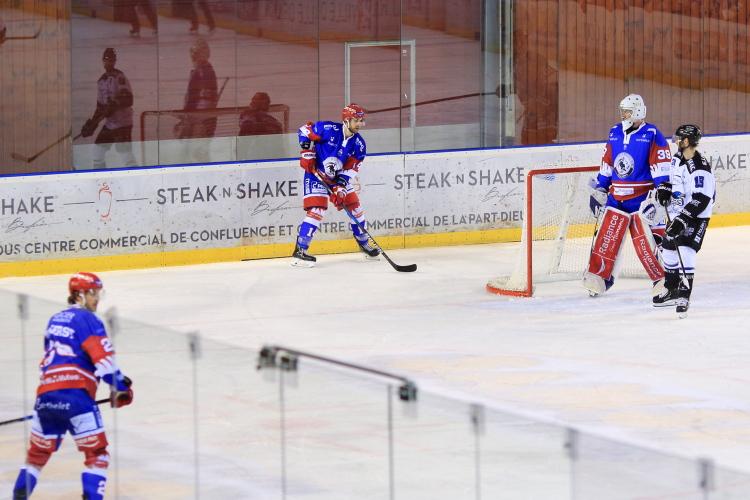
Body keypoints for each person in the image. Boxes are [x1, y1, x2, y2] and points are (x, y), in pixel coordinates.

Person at [11, 272, 134, 500]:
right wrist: (121, 387)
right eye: (93, 293)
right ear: (79, 295)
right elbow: (104, 360)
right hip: (76, 397)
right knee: (97, 455)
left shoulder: (54, 319)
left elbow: (51, 359)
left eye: (98, 293)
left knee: (36, 457)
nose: (96, 299)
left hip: (46, 396)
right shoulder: (88, 319)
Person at [583, 94, 672, 296]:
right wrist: (601, 187)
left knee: (646, 241)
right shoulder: (614, 132)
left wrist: (662, 188)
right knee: (607, 238)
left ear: (639, 111)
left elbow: (661, 165)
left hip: (642, 198)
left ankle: (663, 279)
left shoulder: (652, 134)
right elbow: (607, 162)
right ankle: (599, 279)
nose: (623, 115)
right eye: (622, 111)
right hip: (616, 197)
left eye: (628, 111)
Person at [291, 103, 381, 267]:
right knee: (316, 210)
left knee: (355, 208)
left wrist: (340, 186)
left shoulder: (359, 145)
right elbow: (304, 130)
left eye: (361, 120)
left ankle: (364, 244)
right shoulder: (328, 129)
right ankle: (300, 251)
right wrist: (306, 151)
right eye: (357, 120)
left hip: (336, 178)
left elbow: (351, 168)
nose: (360, 124)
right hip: (316, 175)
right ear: (347, 120)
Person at [653, 124, 715, 317]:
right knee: (668, 248)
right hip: (678, 213)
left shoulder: (700, 167)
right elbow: (674, 182)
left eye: (679, 138)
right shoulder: (677, 158)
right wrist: (665, 188)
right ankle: (671, 290)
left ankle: (684, 295)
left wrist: (683, 219)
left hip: (696, 216)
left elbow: (702, 198)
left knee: (685, 249)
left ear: (686, 141)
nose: (675, 141)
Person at [80, 48, 138, 169]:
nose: (109, 62)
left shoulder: (120, 77)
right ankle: (101, 177)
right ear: (103, 61)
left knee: (125, 154)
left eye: (111, 60)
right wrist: (92, 124)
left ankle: (136, 177)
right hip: (110, 124)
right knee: (97, 151)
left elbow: (129, 99)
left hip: (123, 123)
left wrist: (115, 104)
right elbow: (100, 107)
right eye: (106, 60)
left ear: (115, 61)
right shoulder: (101, 81)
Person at [175, 37, 218, 163]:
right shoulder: (208, 69)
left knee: (196, 152)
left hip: (199, 118)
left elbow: (193, 98)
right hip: (207, 118)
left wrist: (186, 116)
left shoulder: (200, 71)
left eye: (194, 54)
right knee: (199, 152)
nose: (192, 57)